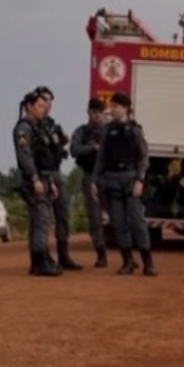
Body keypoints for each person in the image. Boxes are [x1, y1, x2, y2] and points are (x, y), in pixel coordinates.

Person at [90, 91, 156, 276]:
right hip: (112, 180)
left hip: (130, 178)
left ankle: (148, 263)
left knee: (137, 222)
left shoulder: (135, 130)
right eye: (112, 106)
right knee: (118, 223)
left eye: (116, 106)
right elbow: (101, 158)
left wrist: (139, 180)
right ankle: (127, 261)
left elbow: (143, 157)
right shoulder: (108, 131)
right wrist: (95, 180)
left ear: (126, 108)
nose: (113, 110)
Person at [32, 86, 82, 270]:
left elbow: (58, 144)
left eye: (50, 101)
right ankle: (42, 257)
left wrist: (61, 143)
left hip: (55, 172)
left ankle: (63, 254)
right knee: (42, 218)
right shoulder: (31, 125)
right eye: (44, 101)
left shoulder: (52, 124)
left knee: (63, 213)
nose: (47, 105)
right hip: (41, 174)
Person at [13, 91, 61, 276]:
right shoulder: (24, 129)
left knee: (39, 220)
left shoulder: (38, 127)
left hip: (44, 177)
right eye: (39, 106)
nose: (43, 109)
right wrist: (34, 178)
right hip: (35, 180)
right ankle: (40, 261)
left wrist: (50, 181)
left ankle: (40, 259)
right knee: (41, 220)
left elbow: (45, 158)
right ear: (29, 107)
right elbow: (25, 157)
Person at [70, 97, 109, 267]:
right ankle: (101, 253)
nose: (97, 116)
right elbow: (73, 150)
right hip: (90, 175)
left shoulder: (110, 131)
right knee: (94, 217)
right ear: (88, 113)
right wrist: (92, 148)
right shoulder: (81, 132)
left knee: (120, 215)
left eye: (99, 113)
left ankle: (127, 254)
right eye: (93, 113)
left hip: (110, 176)